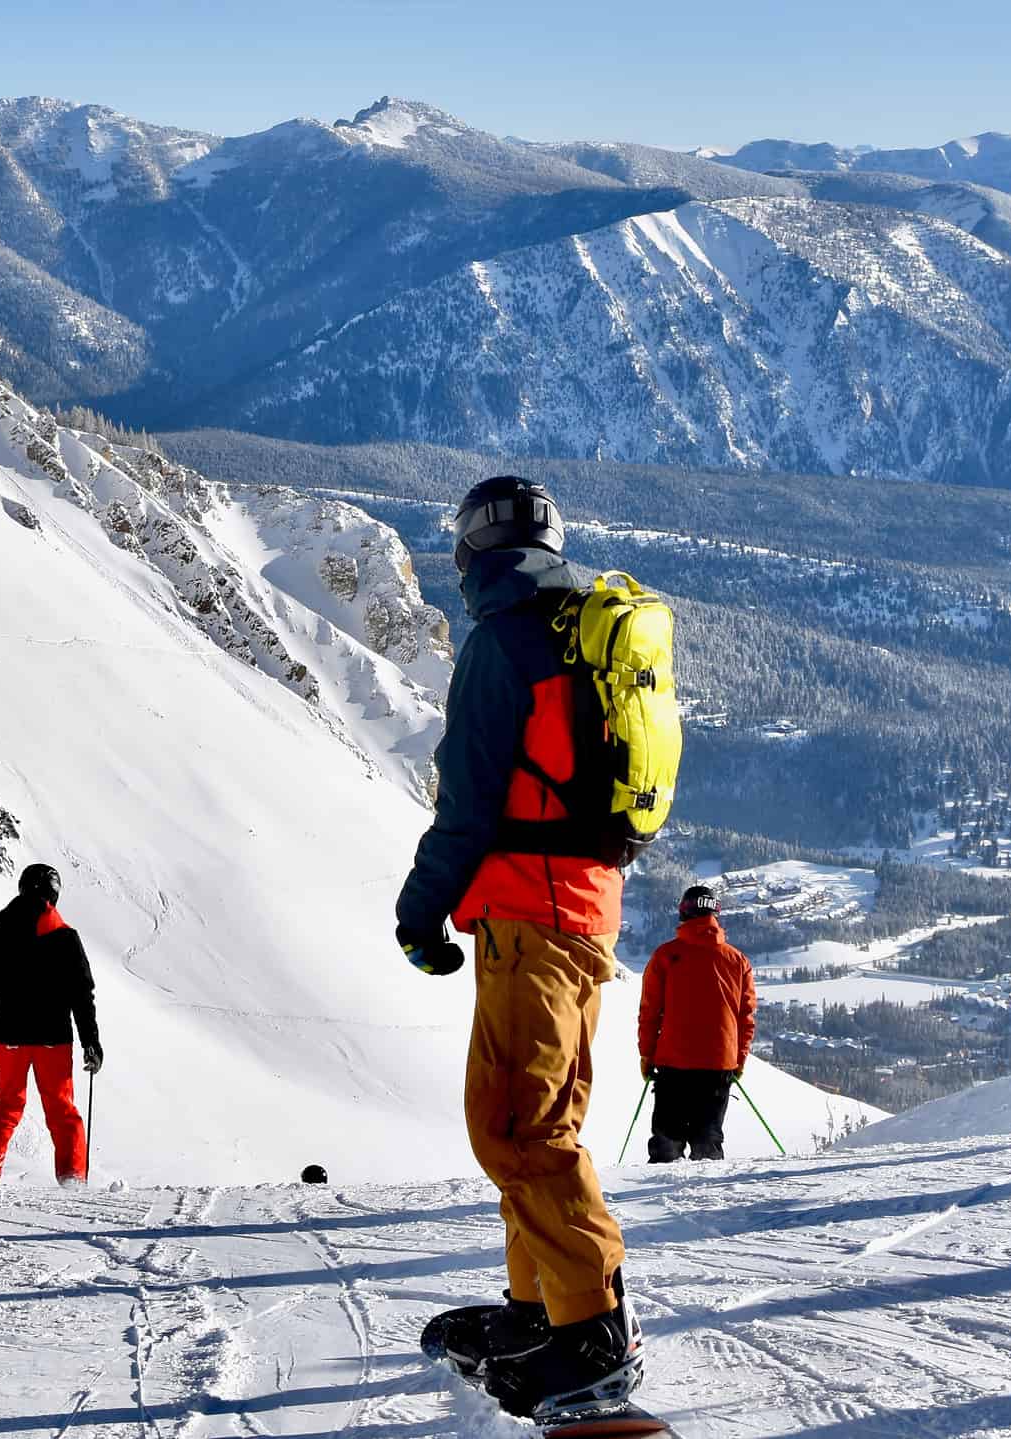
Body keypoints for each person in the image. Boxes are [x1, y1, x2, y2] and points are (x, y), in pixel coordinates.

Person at [398, 477, 640, 1420]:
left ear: (469, 555)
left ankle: (588, 1330)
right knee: (543, 1120)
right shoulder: (590, 633)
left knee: (515, 1126)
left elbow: (466, 806)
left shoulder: (503, 641)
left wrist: (420, 916)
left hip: (529, 915)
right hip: (590, 913)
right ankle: (538, 1307)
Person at [0, 863, 102, 1185]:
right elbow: (82, 994)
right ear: (54, 894)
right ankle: (72, 1180)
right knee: (61, 1109)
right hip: (53, 1038)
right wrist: (90, 1043)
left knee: (6, 1104)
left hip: (10, 1036)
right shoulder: (66, 938)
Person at [638, 885, 756, 1163]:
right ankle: (706, 1201)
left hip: (672, 1061)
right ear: (716, 913)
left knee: (667, 1141)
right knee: (708, 1140)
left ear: (683, 912)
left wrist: (646, 1054)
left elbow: (649, 1012)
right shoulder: (738, 960)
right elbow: (746, 1016)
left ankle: (655, 1201)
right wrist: (739, 1058)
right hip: (719, 1063)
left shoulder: (665, 956)